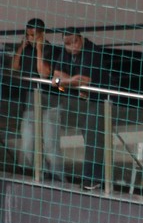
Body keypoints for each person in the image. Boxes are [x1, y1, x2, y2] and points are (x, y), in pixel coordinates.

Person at [51, 27, 108, 191]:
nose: (72, 47)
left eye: (74, 42)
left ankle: (93, 179)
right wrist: (70, 82)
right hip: (80, 101)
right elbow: (55, 80)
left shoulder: (91, 51)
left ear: (81, 39)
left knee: (94, 141)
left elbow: (84, 80)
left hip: (98, 101)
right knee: (88, 138)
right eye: (67, 44)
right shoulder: (66, 53)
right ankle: (92, 177)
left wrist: (65, 82)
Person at [11, 18, 65, 181]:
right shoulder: (26, 49)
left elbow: (44, 73)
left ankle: (58, 178)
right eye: (28, 35)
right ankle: (31, 175)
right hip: (30, 103)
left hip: (50, 103)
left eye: (34, 35)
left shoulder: (52, 50)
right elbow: (14, 67)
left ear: (42, 34)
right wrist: (21, 47)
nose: (31, 38)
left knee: (50, 146)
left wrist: (40, 49)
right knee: (27, 144)